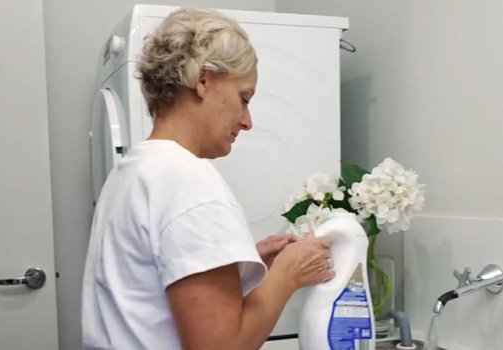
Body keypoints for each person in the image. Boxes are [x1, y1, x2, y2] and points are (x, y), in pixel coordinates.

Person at [81, 7, 335, 350]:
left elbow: (149, 295)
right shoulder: (189, 181)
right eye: (243, 98)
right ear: (203, 80)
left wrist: (237, 265)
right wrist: (286, 275)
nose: (247, 122)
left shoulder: (131, 172)